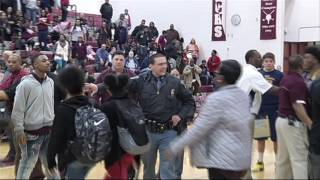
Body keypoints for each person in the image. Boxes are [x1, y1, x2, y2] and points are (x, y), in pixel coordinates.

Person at [165, 60, 252, 179]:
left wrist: (175, 147)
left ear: (221, 78)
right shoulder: (244, 96)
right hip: (241, 159)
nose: (215, 76)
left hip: (222, 160)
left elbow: (199, 129)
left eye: (217, 74)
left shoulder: (216, 99)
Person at [129, 53, 195, 179]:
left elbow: (189, 102)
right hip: (147, 132)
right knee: (148, 167)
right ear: (151, 66)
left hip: (169, 132)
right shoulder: (141, 81)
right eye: (160, 64)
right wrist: (98, 87)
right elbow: (119, 86)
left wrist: (180, 116)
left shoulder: (174, 82)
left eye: (165, 63)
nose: (164, 66)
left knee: (168, 168)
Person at [11, 54, 60, 179]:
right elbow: (18, 110)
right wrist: (19, 130)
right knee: (27, 164)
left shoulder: (51, 82)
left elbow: (50, 105)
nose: (48, 62)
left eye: (48, 60)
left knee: (51, 164)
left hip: (48, 131)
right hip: (31, 133)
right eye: (44, 61)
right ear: (35, 65)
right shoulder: (25, 84)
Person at [47, 67, 95, 179]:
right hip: (92, 154)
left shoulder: (63, 109)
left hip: (72, 158)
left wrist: (50, 160)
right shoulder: (93, 104)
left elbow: (56, 138)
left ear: (64, 86)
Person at [237, 49, 278, 178]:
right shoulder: (253, 73)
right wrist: (291, 89)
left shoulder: (244, 70)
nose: (262, 60)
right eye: (259, 57)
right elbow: (271, 90)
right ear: (251, 59)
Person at [275, 55, 312, 179]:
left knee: (283, 159)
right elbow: (297, 106)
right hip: (292, 123)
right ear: (301, 66)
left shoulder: (286, 79)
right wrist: (309, 123)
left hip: (281, 121)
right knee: (299, 159)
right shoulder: (298, 82)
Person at [100, 74, 136, 179]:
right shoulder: (131, 103)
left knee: (115, 174)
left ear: (109, 90)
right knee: (122, 172)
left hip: (112, 150)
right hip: (129, 147)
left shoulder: (106, 107)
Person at [252, 52, 283, 172]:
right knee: (260, 137)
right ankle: (260, 162)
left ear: (274, 62)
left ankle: (278, 162)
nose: (268, 63)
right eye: (266, 61)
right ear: (263, 62)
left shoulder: (280, 75)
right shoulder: (258, 74)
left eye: (271, 61)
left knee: (276, 138)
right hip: (261, 109)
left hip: (275, 109)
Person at [0, 53, 29, 166]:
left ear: (20, 63)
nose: (10, 64)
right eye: (9, 62)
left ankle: (18, 156)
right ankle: (13, 154)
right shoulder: (11, 75)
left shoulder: (24, 76)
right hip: (11, 108)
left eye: (14, 62)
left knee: (17, 135)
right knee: (11, 133)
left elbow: (10, 93)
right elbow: (2, 87)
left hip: (22, 111)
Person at [303, 46, 320, 179]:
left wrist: (310, 123)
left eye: (307, 57)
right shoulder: (306, 76)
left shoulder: (317, 80)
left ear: (315, 60)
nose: (304, 60)